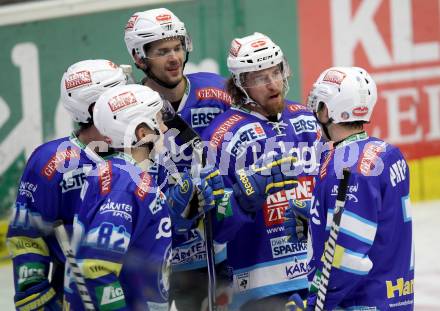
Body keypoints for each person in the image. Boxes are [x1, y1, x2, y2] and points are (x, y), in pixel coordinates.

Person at [202, 32, 321, 310]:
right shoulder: (221, 136)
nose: (272, 84)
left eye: (276, 72)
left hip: (316, 276)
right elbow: (212, 229)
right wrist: (241, 201)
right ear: (241, 84)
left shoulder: (307, 119)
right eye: (259, 78)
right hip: (257, 288)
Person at [124, 8, 232, 310]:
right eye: (161, 51)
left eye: (177, 47)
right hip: (158, 257)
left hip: (215, 252)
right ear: (139, 58)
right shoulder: (126, 111)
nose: (174, 57)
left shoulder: (217, 92)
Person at [6, 59, 128, 311]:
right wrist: (36, 297)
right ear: (95, 108)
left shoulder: (143, 148)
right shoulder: (51, 162)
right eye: (119, 95)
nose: (129, 100)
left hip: (144, 287)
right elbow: (27, 235)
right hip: (80, 293)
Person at [300, 66, 413, 309]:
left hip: (360, 303)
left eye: (319, 105)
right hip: (395, 299)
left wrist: (314, 304)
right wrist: (315, 223)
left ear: (327, 111)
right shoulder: (388, 153)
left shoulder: (346, 166)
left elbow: (347, 257)